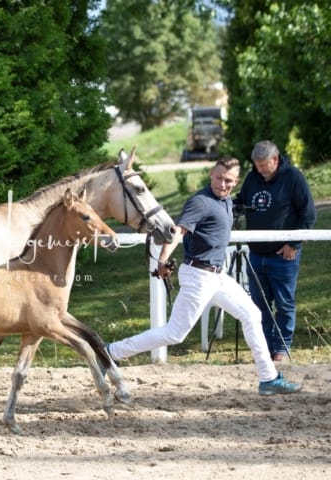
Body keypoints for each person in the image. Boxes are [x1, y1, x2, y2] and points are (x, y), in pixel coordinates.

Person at [106, 156, 301, 395]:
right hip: (198, 275)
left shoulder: (226, 201)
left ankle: (268, 378)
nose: (222, 184)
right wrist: (164, 259)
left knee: (252, 315)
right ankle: (111, 352)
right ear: (211, 174)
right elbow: (178, 232)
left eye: (228, 180)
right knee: (174, 334)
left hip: (217, 277)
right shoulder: (200, 202)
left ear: (235, 182)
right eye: (219, 178)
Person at [237, 140, 316, 363]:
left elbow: (308, 215)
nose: (260, 169)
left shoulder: (293, 177)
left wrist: (294, 244)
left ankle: (282, 347)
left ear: (275, 159)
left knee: (284, 303)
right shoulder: (252, 178)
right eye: (256, 165)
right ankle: (266, 348)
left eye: (263, 165)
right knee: (259, 305)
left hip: (283, 255)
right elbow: (242, 201)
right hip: (256, 254)